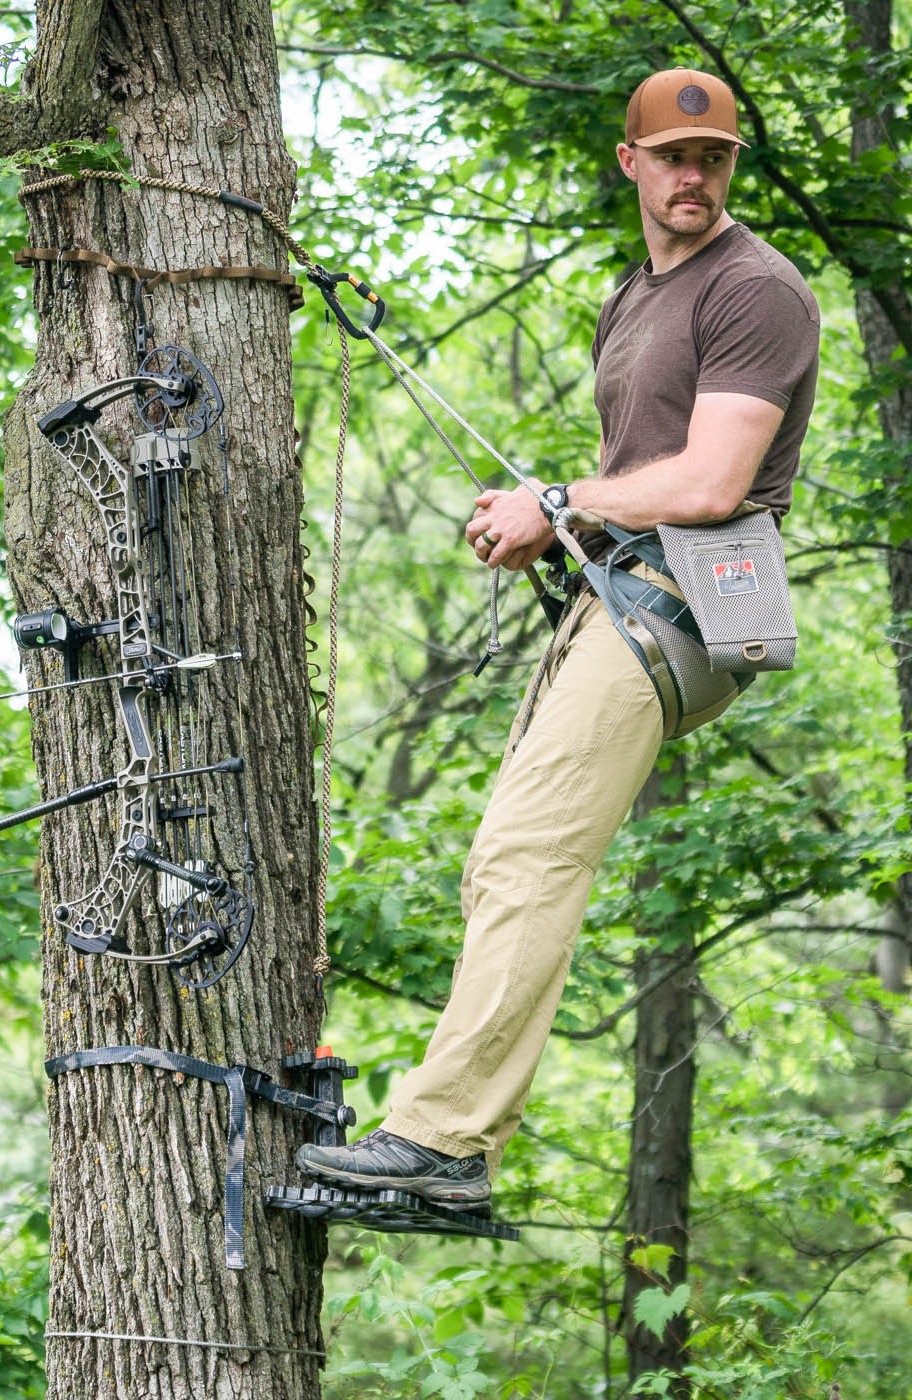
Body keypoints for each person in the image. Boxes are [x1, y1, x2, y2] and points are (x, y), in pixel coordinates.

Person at [297, 67, 821, 1206]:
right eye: (674, 157)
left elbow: (717, 477)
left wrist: (562, 504)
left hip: (684, 602)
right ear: (631, 163)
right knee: (504, 858)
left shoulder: (757, 289)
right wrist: (555, 519)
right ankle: (449, 1137)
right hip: (618, 592)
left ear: (731, 165)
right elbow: (642, 475)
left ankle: (443, 1142)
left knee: (534, 856)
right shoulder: (634, 296)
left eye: (715, 157)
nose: (695, 176)